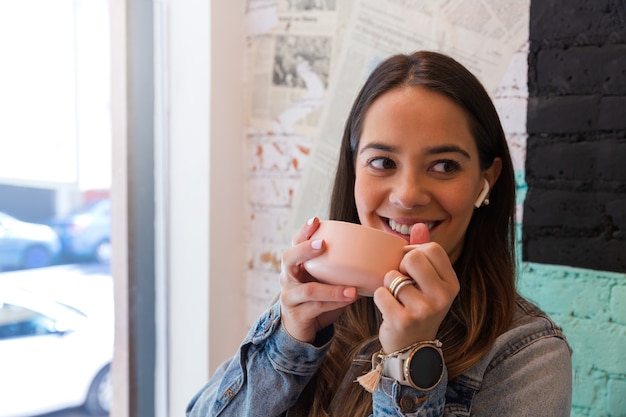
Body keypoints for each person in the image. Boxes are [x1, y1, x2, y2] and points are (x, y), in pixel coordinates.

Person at [186, 50, 572, 416]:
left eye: (444, 165)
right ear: (354, 171)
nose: (406, 196)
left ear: (485, 181)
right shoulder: (315, 306)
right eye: (383, 162)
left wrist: (409, 363)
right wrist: (288, 340)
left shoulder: (528, 353)